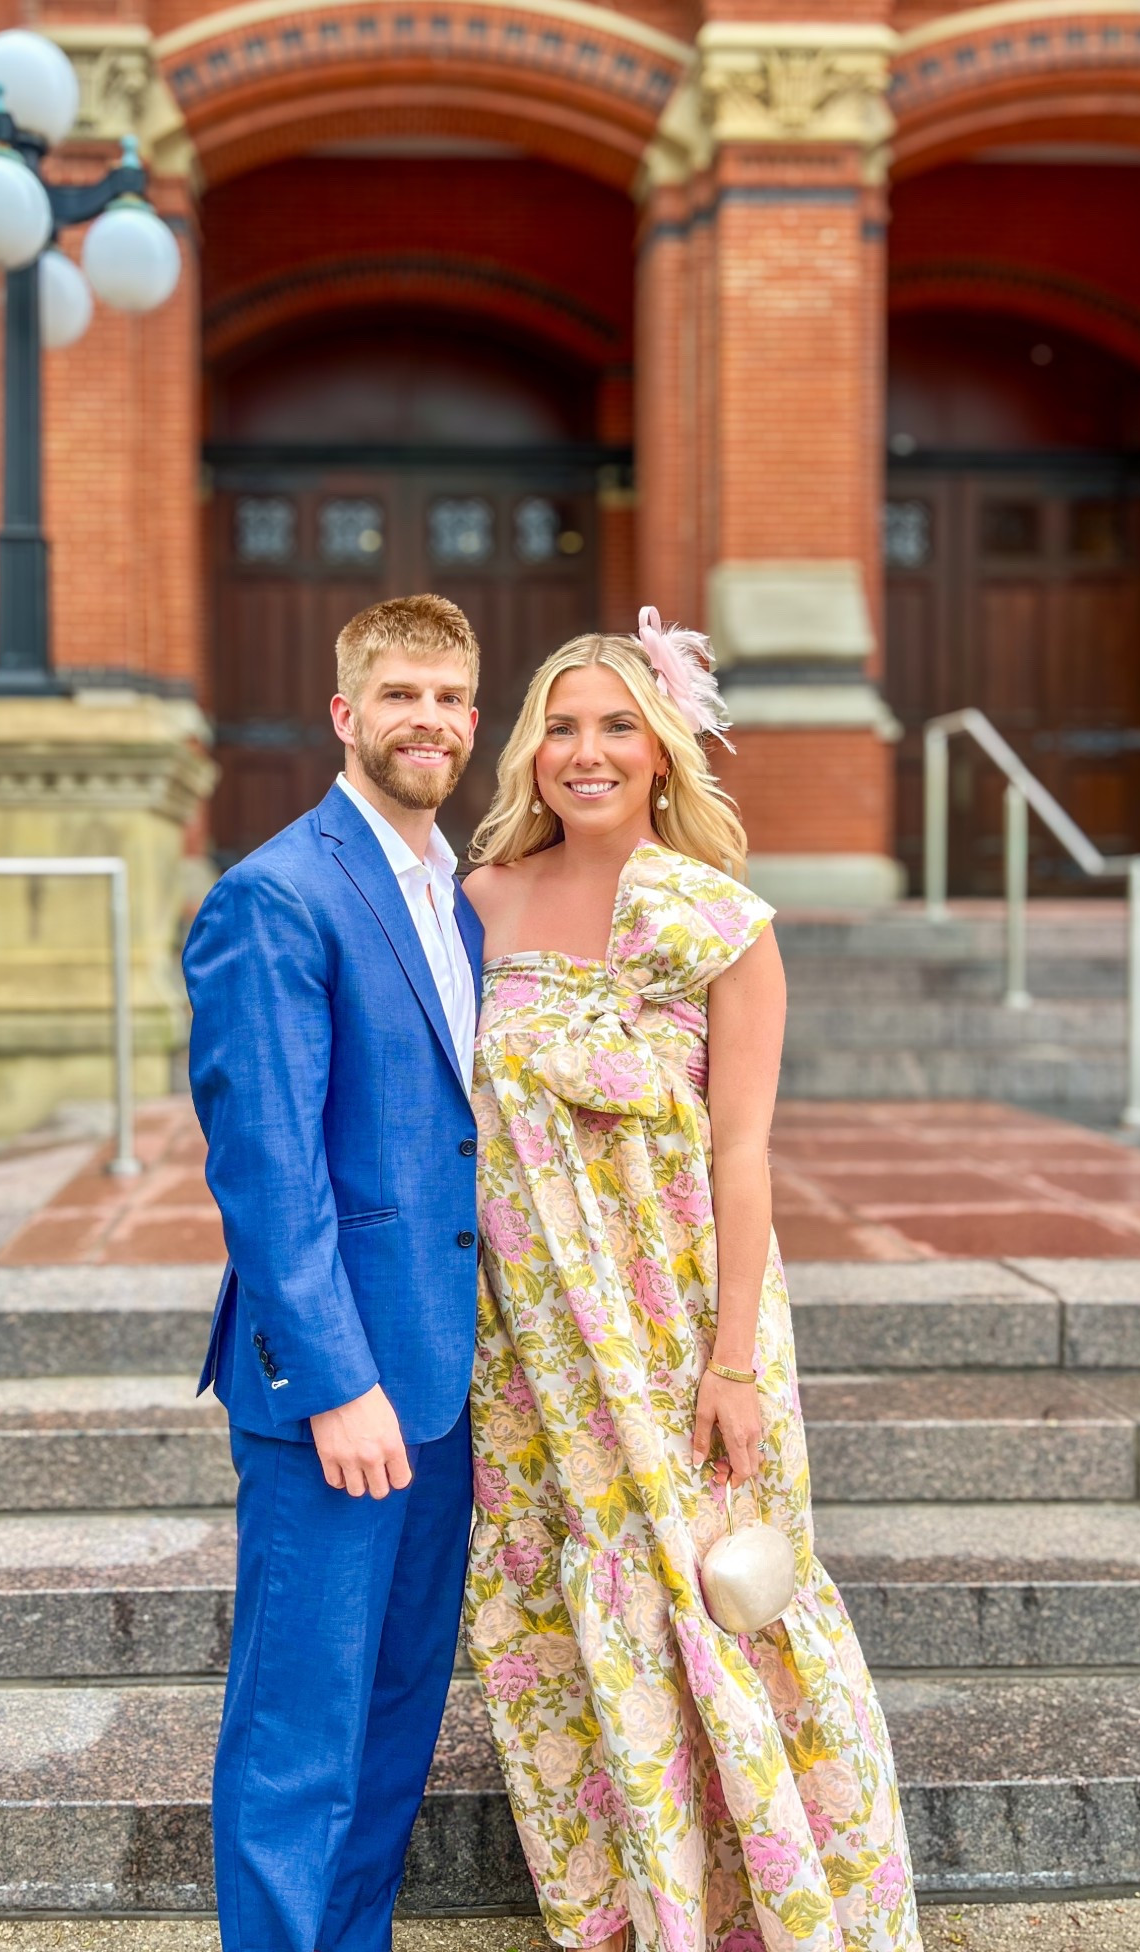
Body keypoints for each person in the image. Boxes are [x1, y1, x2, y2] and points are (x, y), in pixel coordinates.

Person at [461, 612, 921, 1952]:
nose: (585, 751)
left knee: (726, 1592)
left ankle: (782, 1910)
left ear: (663, 749)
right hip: (535, 1330)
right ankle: (631, 1906)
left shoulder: (721, 919)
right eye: (560, 725)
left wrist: (731, 1363)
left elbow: (744, 1150)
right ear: (530, 750)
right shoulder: (473, 902)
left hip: (680, 1314)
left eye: (616, 725)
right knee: (568, 1589)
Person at [183, 594, 485, 1952]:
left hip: (447, 1386)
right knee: (301, 1731)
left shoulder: (456, 900)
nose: (429, 719)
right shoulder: (275, 892)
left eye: (452, 697)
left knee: (393, 1722)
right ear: (344, 713)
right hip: (341, 1399)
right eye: (402, 694)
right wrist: (334, 1382)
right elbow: (268, 1175)